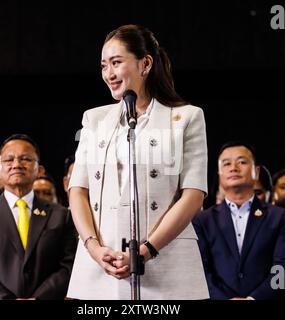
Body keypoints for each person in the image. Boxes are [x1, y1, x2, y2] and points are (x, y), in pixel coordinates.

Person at [67, 24, 209, 300]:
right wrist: (94, 248)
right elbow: (78, 191)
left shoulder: (187, 118)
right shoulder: (93, 120)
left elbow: (193, 194)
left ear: (145, 64)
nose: (109, 74)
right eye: (103, 66)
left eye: (116, 63)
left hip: (166, 264)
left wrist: (146, 250)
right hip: (101, 265)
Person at [0, 134, 77, 300]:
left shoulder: (61, 216)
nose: (16, 164)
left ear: (40, 170)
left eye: (25, 159)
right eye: (9, 160)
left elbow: (69, 266)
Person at [192, 142, 285, 299]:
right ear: (220, 174)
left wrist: (254, 299)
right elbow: (200, 270)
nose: (233, 167)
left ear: (256, 171)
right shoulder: (202, 220)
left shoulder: (279, 217)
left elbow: (283, 269)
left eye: (241, 162)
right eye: (226, 164)